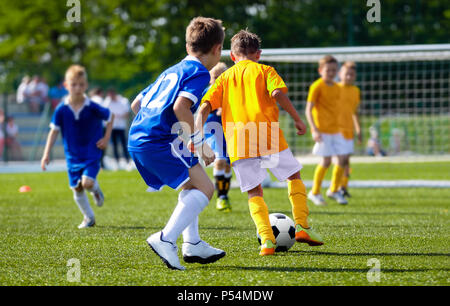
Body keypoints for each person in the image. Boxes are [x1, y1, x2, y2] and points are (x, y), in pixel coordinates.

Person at [199, 30, 324, 256]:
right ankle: (303, 226)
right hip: (266, 134)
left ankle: (267, 240)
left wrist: (196, 135)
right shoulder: (266, 70)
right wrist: (297, 118)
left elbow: (205, 106)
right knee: (293, 176)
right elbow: (277, 93)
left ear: (233, 56)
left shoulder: (224, 77)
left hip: (238, 140)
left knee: (254, 191)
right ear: (258, 54)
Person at [128, 17, 226, 271]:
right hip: (156, 141)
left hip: (139, 138)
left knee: (193, 183)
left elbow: (136, 104)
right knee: (205, 189)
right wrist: (199, 143)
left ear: (187, 46)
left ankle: (192, 244)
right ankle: (165, 238)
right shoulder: (200, 73)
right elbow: (180, 107)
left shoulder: (171, 71)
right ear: (217, 49)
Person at [41, 65, 114, 229]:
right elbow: (53, 132)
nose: (78, 88)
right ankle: (89, 218)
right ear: (66, 86)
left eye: (81, 84)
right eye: (74, 84)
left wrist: (106, 138)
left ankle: (95, 189)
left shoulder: (92, 106)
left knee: (87, 183)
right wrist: (46, 154)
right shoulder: (61, 109)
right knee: (77, 188)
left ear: (86, 85)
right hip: (72, 155)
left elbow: (110, 116)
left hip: (91, 152)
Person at [305, 55, 348, 206]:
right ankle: (315, 192)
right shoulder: (317, 86)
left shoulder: (337, 87)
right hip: (322, 130)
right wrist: (314, 129)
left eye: (334, 70)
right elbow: (308, 110)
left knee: (343, 159)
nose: (331, 73)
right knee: (326, 160)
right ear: (320, 70)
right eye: (328, 70)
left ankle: (334, 190)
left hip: (336, 130)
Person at [203, 62, 233, 212]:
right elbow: (200, 108)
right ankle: (220, 198)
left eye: (221, 76)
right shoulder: (208, 91)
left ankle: (224, 195)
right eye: (215, 76)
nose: (217, 79)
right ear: (210, 79)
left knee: (228, 164)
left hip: (229, 129)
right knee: (219, 160)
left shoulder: (232, 92)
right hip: (212, 128)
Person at [336, 61, 361, 198]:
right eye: (347, 74)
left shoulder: (355, 91)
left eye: (352, 74)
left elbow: (354, 112)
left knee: (346, 161)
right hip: (335, 130)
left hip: (348, 130)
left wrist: (358, 129)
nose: (349, 77)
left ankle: (343, 186)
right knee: (340, 159)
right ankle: (336, 187)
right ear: (340, 74)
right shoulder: (334, 88)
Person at [103, 88, 131, 170]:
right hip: (112, 127)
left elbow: (127, 113)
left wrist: (119, 116)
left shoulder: (123, 101)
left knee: (124, 144)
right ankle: (117, 162)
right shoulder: (107, 102)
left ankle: (127, 161)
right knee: (114, 145)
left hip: (121, 126)